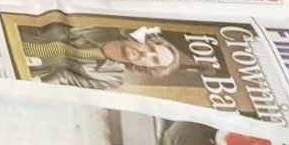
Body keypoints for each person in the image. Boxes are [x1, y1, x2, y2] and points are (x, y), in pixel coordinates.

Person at [18, 22, 184, 89]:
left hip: (26, 68)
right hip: (20, 34)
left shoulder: (110, 78)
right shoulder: (102, 26)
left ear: (147, 68)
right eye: (150, 48)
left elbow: (65, 77)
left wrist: (34, 82)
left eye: (153, 60)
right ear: (144, 39)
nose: (145, 54)